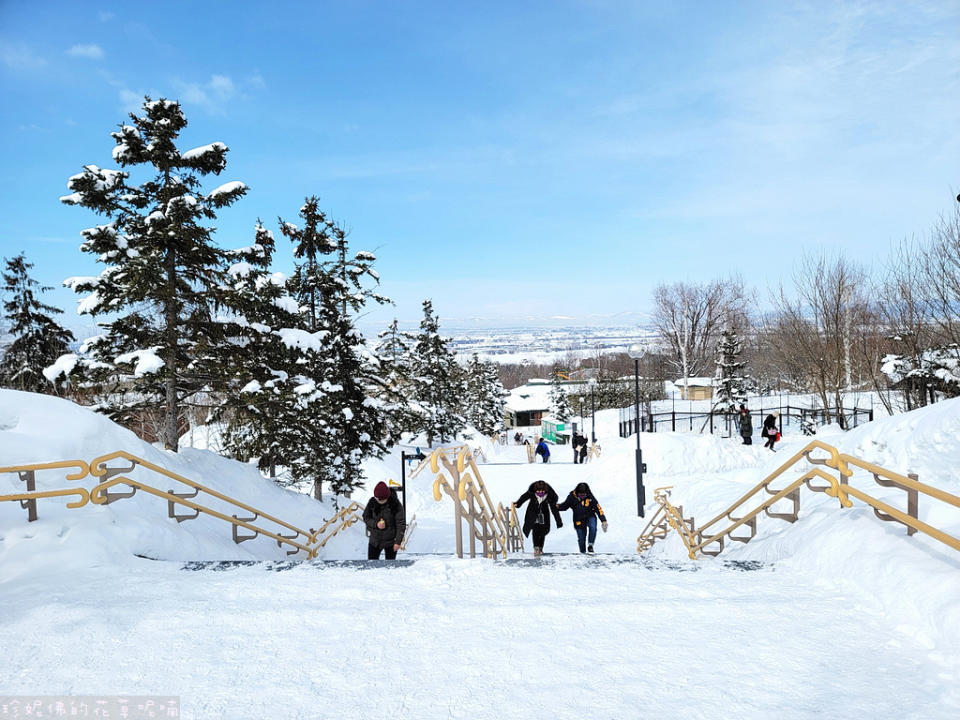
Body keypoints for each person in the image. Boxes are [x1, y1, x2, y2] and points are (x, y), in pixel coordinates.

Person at [514, 480, 563, 556]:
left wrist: (558, 521)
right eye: (538, 491)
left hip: (544, 516)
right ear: (535, 490)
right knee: (535, 531)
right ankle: (536, 548)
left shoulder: (549, 495)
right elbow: (524, 497)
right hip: (533, 514)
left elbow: (554, 510)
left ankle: (540, 548)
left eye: (542, 491)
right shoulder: (532, 493)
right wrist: (518, 504)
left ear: (545, 491)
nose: (540, 493)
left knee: (543, 532)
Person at [557, 482, 608, 554]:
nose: (582, 496)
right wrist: (556, 507)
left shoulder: (590, 496)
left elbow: (598, 508)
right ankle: (582, 552)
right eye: (580, 495)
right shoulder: (572, 497)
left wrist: (603, 520)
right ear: (577, 493)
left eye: (584, 495)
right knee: (581, 539)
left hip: (590, 516)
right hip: (578, 519)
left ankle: (590, 546)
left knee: (593, 527)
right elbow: (565, 506)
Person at [362, 481, 406, 560]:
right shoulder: (372, 501)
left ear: (387, 497)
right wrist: (376, 524)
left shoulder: (396, 504)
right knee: (372, 565)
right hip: (374, 541)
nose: (379, 501)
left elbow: (401, 523)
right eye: (377, 499)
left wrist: (397, 542)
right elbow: (366, 517)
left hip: (391, 542)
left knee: (390, 566)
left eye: (381, 500)